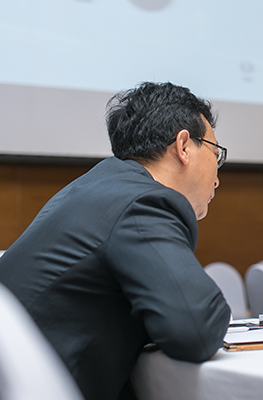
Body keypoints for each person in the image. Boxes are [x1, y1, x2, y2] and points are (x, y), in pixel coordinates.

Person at [0, 82, 231, 400]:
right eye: (216, 154)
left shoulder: (95, 188)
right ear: (183, 146)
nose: (217, 178)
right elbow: (196, 330)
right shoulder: (144, 203)